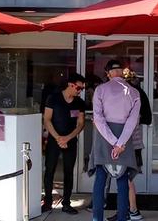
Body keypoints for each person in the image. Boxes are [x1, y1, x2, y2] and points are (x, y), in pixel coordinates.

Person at [89, 60, 141, 221]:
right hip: (124, 140)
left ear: (109, 73)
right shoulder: (134, 92)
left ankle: (97, 218)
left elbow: (98, 118)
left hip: (104, 137)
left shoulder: (100, 90)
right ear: (122, 72)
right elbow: (132, 121)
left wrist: (112, 141)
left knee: (100, 180)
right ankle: (122, 218)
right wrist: (120, 143)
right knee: (123, 180)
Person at [108, 68, 151, 221]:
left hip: (127, 144)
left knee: (125, 178)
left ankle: (131, 210)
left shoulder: (129, 97)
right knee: (126, 178)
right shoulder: (137, 94)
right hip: (133, 144)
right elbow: (146, 118)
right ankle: (128, 210)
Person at [42, 73, 86, 214]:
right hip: (54, 140)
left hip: (70, 141)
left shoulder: (79, 103)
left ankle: (66, 203)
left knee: (68, 172)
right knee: (49, 170)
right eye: (78, 88)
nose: (80, 91)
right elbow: (47, 119)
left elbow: (81, 123)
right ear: (70, 85)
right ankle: (47, 201)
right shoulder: (53, 98)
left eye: (82, 89)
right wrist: (58, 138)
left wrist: (67, 138)